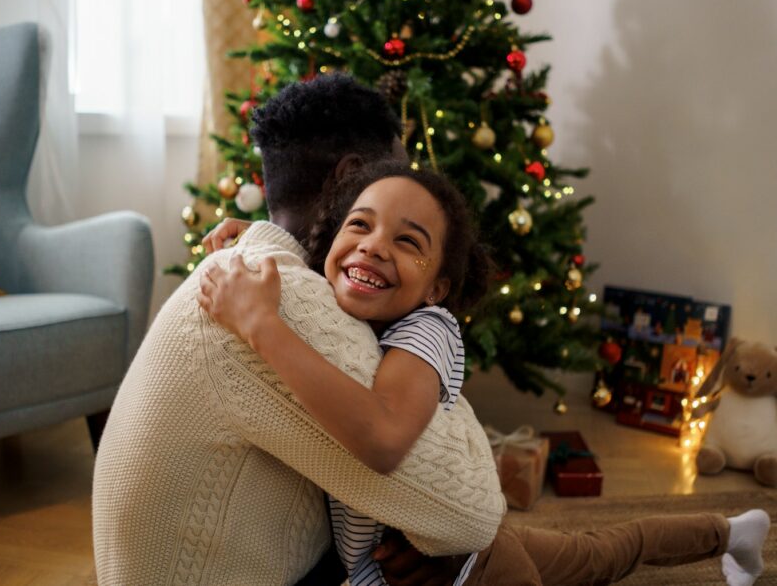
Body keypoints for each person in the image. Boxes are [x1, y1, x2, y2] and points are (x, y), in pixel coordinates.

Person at [200, 161, 771, 586]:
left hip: (472, 569)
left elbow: (382, 437)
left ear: (436, 289)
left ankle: (731, 535)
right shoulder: (337, 308)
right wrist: (256, 235)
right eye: (359, 225)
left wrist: (260, 324)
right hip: (430, 553)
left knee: (601, 559)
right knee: (603, 551)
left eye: (407, 242)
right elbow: (322, 271)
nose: (373, 247)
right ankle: (736, 532)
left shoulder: (429, 329)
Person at [91, 74, 505, 586]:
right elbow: (475, 514)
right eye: (398, 172)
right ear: (352, 178)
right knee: (499, 553)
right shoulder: (278, 302)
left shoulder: (254, 271)